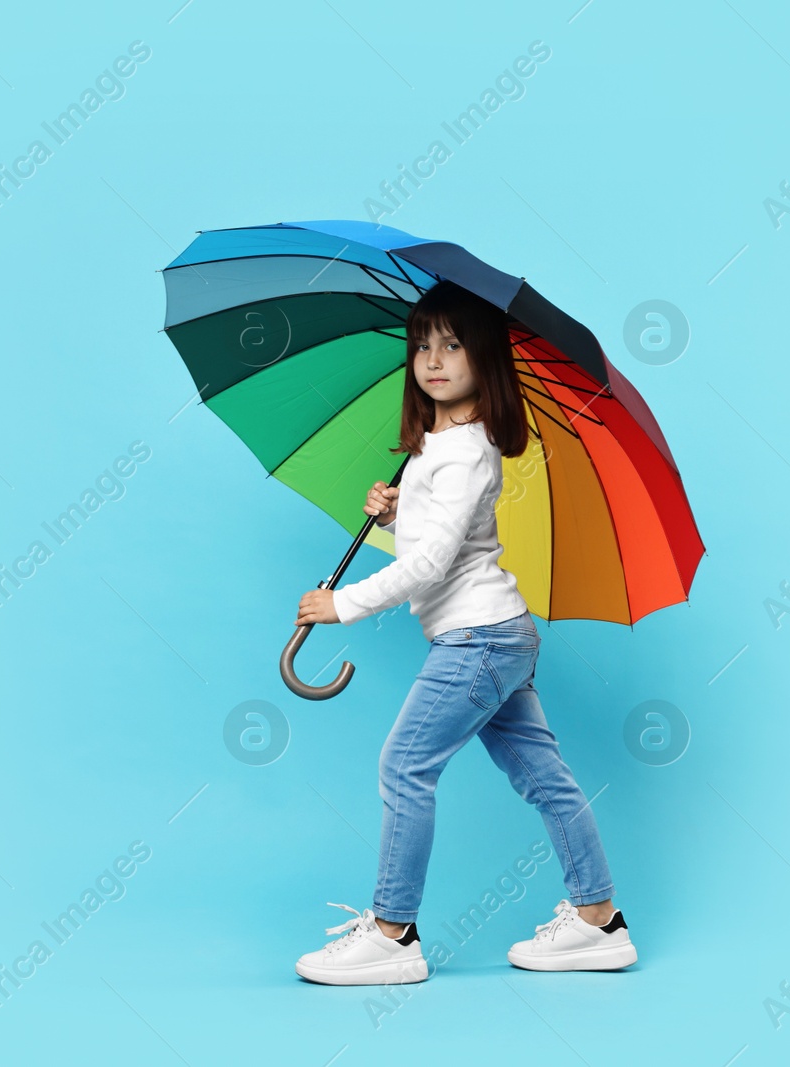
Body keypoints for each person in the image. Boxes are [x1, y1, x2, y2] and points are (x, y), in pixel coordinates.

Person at [292, 280, 637, 986]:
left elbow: (428, 567)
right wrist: (393, 511)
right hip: (499, 634)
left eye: (452, 345)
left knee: (404, 766)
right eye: (423, 345)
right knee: (544, 777)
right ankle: (600, 921)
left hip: (478, 639)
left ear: (485, 358)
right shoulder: (441, 447)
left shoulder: (464, 452)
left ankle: (393, 934)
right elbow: (444, 541)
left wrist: (343, 606)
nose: (433, 359)